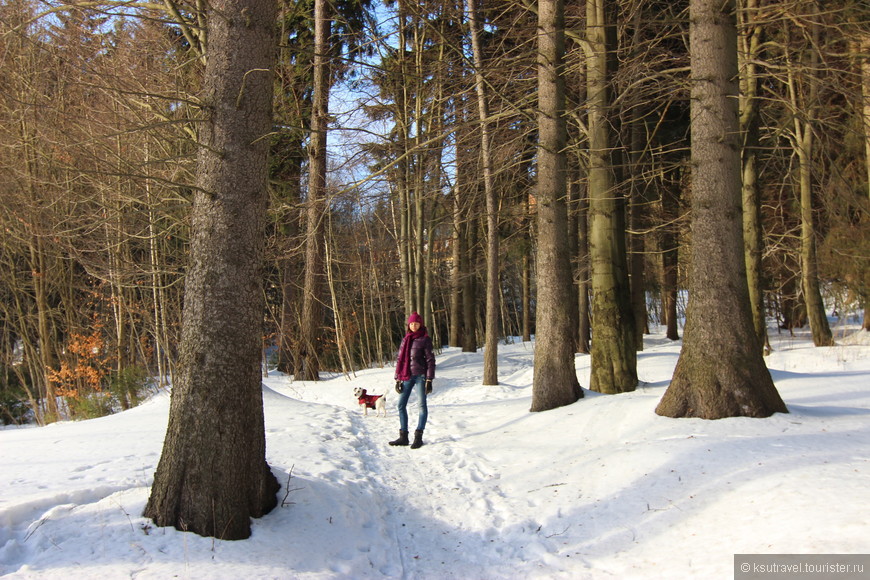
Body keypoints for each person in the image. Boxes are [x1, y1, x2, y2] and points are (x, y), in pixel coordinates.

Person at [389, 312, 435, 449]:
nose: (414, 325)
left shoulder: (425, 339)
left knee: (421, 405)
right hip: (406, 376)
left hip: (420, 376)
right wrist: (397, 378)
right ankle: (403, 436)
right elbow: (400, 360)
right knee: (400, 405)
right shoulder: (405, 339)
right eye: (412, 323)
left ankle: (418, 436)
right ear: (408, 325)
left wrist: (429, 379)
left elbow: (430, 360)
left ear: (420, 324)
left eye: (416, 323)